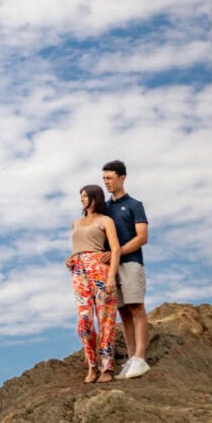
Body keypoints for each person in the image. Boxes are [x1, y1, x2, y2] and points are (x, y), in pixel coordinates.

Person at [64, 184, 121, 383]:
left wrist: (112, 276)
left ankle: (107, 368)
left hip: (99, 269)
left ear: (95, 197)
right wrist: (69, 260)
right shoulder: (76, 223)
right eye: (81, 196)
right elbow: (76, 248)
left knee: (106, 319)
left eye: (86, 196)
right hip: (79, 272)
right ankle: (92, 364)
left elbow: (115, 249)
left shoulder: (106, 221)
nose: (83, 199)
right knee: (84, 321)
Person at [101, 160, 150, 380]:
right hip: (111, 268)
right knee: (123, 312)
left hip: (131, 263)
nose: (106, 183)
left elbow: (142, 237)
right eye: (104, 179)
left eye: (110, 178)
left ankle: (140, 358)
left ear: (122, 178)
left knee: (136, 308)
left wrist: (116, 252)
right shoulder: (104, 208)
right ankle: (131, 358)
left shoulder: (134, 205)